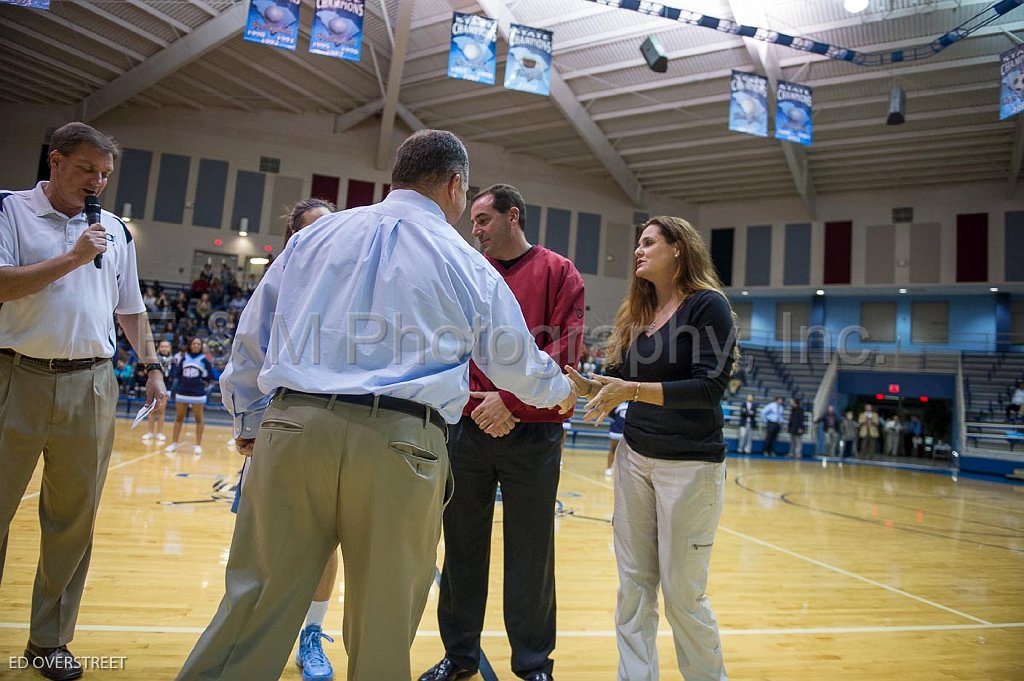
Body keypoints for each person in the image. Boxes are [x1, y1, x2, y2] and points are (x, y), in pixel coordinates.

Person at [176, 130, 578, 681]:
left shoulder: (314, 237)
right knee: (383, 628)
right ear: (455, 186)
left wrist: (249, 418)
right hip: (401, 444)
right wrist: (563, 390)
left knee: (252, 609)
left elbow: (252, 337)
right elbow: (517, 364)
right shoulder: (464, 259)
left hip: (294, 427)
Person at [0, 121, 167, 680]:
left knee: (73, 521)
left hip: (92, 384)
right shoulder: (10, 210)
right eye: (86, 169)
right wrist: (72, 257)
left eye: (104, 175)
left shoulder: (115, 230)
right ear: (55, 160)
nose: (97, 182)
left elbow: (131, 309)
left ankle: (49, 641)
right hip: (13, 376)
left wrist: (151, 365)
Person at [420, 184, 585, 681]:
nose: (474, 230)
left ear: (514, 217)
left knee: (531, 552)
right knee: (462, 547)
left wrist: (509, 401)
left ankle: (534, 664)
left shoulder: (560, 273)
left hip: (534, 435)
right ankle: (460, 656)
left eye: (483, 220)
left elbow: (567, 355)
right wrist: (482, 405)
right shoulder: (468, 272)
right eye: (472, 221)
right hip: (468, 429)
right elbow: (447, 346)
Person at [565, 215, 736, 681]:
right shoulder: (637, 314)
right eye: (638, 244)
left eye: (649, 242)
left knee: (683, 596)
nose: (638, 251)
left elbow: (708, 388)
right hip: (635, 460)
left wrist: (631, 390)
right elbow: (624, 383)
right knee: (634, 588)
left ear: (678, 247)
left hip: (691, 467)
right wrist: (590, 386)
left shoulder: (708, 307)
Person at [164, 337, 217, 456]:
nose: (196, 346)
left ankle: (198, 445)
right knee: (178, 418)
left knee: (199, 419)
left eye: (198, 344)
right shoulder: (184, 358)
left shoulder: (204, 360)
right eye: (194, 343)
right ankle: (174, 443)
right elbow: (177, 374)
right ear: (190, 345)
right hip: (182, 391)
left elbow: (211, 377)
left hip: (198, 393)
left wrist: (203, 383)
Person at [142, 340, 177, 443]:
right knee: (151, 410)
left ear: (170, 348)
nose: (164, 348)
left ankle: (159, 433)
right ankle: (150, 432)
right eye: (162, 346)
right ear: (159, 348)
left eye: (166, 346)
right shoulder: (154, 359)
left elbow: (173, 376)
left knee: (161, 411)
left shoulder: (173, 360)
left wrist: (170, 390)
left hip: (165, 387)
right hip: (154, 387)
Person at [606, 401, 629, 477]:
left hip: (627, 430)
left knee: (627, 452)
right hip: (618, 429)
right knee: (613, 449)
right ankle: (609, 469)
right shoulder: (618, 402)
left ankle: (613, 470)